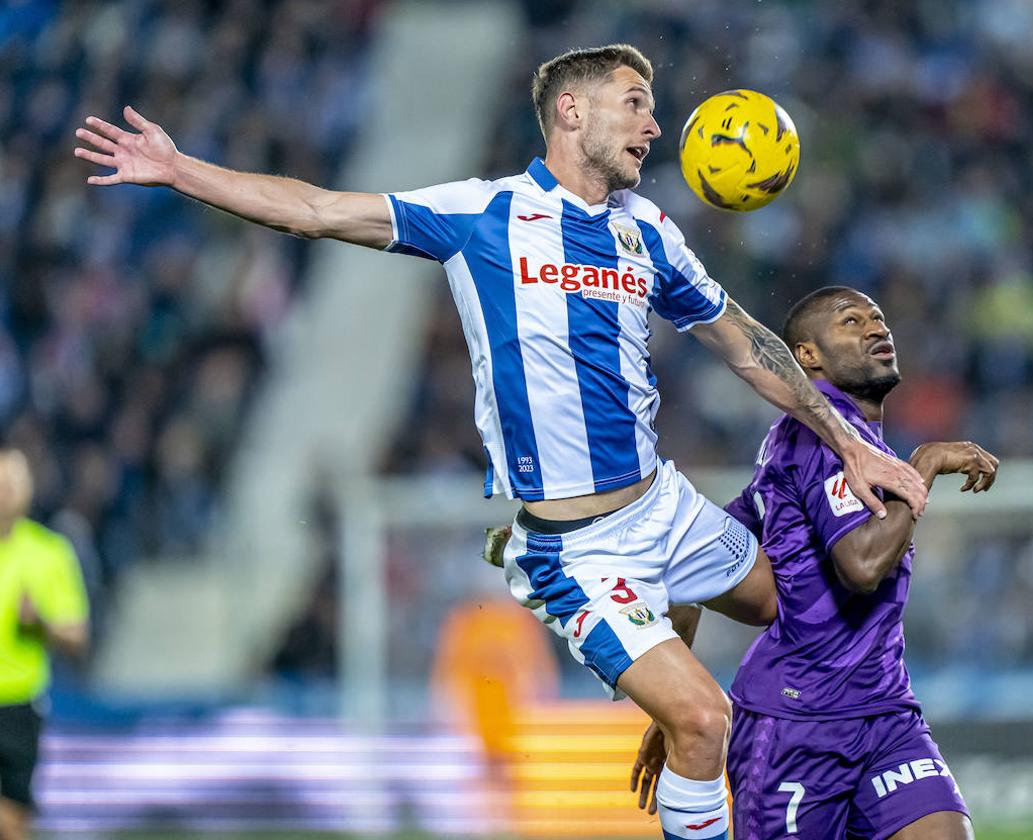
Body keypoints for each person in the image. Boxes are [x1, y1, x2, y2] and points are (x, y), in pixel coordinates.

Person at [74, 45, 929, 839]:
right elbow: (316, 210)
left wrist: (848, 444)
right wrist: (182, 170)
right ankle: (686, 725)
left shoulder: (647, 234)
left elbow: (747, 343)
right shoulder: (484, 214)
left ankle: (845, 764)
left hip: (663, 505)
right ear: (570, 112)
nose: (654, 126)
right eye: (634, 105)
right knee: (704, 719)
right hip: (580, 548)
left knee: (802, 602)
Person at [628, 286, 997, 839]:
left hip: (883, 708)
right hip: (798, 725)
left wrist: (672, 706)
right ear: (807, 356)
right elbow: (863, 564)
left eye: (878, 317)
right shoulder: (824, 439)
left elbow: (699, 560)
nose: (878, 329)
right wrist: (926, 462)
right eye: (852, 321)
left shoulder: (822, 444)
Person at [0, 451, 90, 840]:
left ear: (28, 490)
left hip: (19, 704)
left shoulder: (49, 552)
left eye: (11, 484)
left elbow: (77, 636)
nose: (4, 493)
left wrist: (39, 624)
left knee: (13, 821)